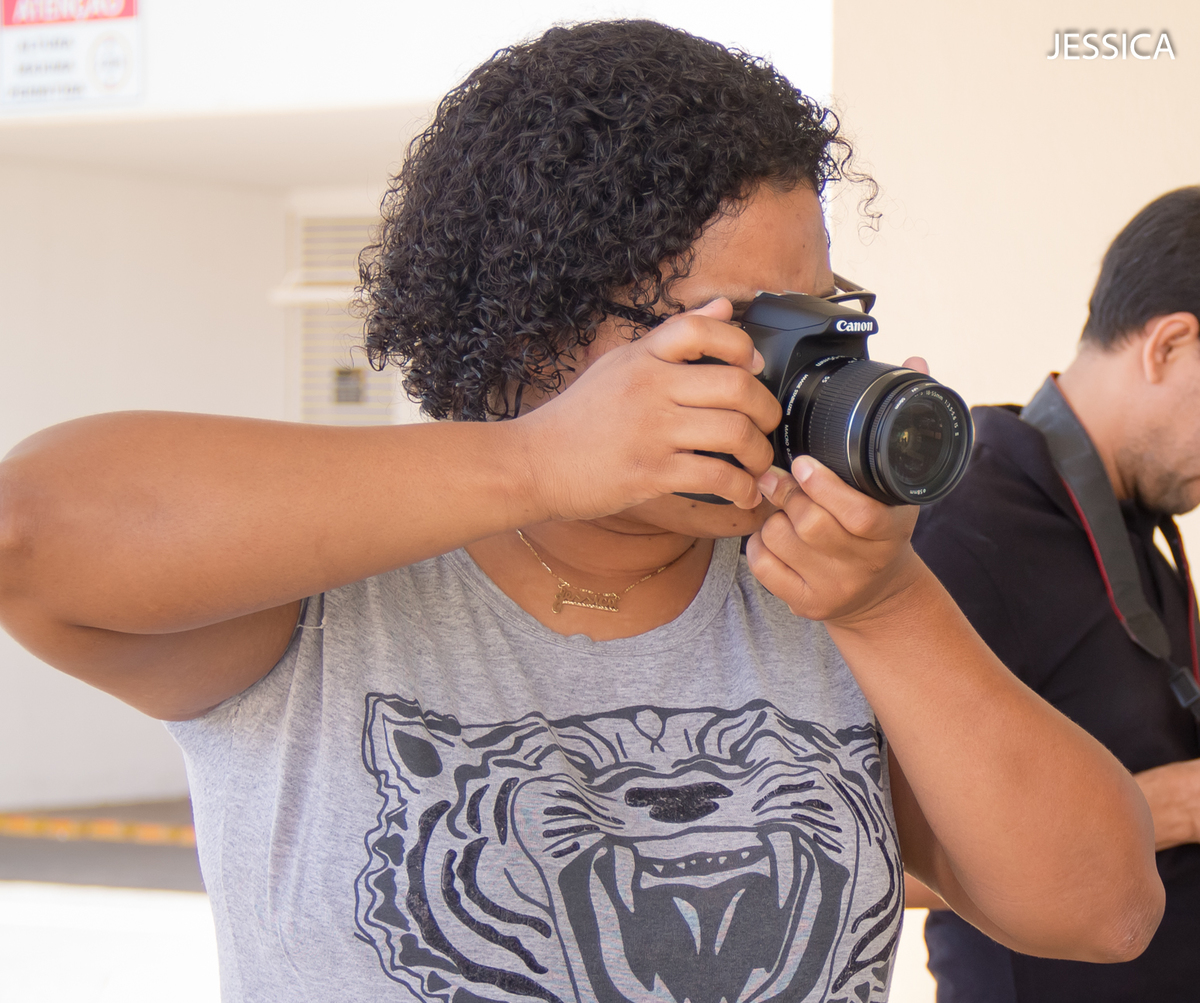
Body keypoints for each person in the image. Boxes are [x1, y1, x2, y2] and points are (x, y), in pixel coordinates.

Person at [0, 21, 1163, 1003]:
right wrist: (534, 465)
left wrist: (890, 602)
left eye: (824, 317)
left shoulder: (822, 592)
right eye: (747, 328)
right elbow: (33, 533)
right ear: (534, 326)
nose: (799, 375)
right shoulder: (334, 591)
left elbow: (1103, 907)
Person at [911, 187, 1200, 1003]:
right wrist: (1162, 809)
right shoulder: (962, 523)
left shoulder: (1135, 527)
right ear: (1170, 346)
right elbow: (874, 852)